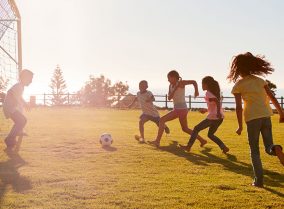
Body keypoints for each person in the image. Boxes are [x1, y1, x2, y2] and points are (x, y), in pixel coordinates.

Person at [228, 52, 284, 187]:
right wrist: (281, 113)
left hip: (252, 118)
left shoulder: (239, 85)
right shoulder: (260, 80)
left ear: (238, 69)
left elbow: (238, 108)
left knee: (254, 150)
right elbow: (272, 97)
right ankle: (275, 148)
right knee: (268, 147)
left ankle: (258, 181)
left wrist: (240, 126)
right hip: (266, 116)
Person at [150, 70, 207, 147]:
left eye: (169, 78)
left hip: (182, 109)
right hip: (178, 109)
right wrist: (175, 88)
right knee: (185, 128)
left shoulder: (181, 83)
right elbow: (169, 98)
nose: (168, 80)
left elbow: (194, 82)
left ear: (174, 77)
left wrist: (196, 91)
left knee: (162, 120)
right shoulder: (170, 86)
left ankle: (157, 141)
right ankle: (202, 140)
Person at [180, 76, 229, 153]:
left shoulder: (208, 93)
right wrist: (206, 110)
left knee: (196, 129)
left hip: (213, 117)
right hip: (219, 118)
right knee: (210, 135)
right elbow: (214, 105)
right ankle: (224, 147)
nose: (201, 86)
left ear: (206, 85)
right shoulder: (214, 93)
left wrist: (218, 113)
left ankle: (188, 147)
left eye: (202, 84)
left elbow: (216, 101)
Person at [3, 69, 33, 150]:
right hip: (9, 107)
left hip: (10, 107)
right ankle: (9, 139)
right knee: (22, 120)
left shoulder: (20, 87)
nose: (31, 81)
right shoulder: (18, 86)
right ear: (23, 78)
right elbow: (17, 98)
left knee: (20, 121)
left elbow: (19, 97)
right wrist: (25, 104)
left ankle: (12, 137)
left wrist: (25, 103)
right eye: (30, 79)